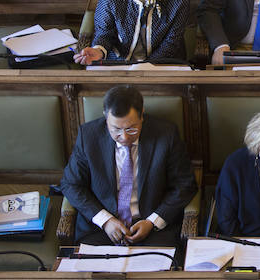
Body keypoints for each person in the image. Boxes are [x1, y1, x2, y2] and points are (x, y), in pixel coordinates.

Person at [58, 85, 197, 246]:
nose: (123, 137)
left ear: (142, 115)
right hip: (100, 229)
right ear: (105, 117)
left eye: (131, 129)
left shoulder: (166, 135)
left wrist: (152, 221)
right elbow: (71, 184)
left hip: (153, 229)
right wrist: (105, 220)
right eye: (116, 129)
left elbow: (185, 185)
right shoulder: (88, 136)